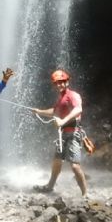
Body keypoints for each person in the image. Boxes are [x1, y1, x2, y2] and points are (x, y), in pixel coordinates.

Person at [33, 69, 88, 197]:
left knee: (74, 166)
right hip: (63, 135)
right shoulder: (61, 98)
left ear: (67, 82)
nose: (59, 85)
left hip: (74, 133)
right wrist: (39, 111)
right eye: (57, 83)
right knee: (57, 161)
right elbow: (55, 111)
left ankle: (85, 194)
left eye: (61, 82)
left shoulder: (72, 95)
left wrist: (63, 121)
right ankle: (50, 186)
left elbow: (78, 109)